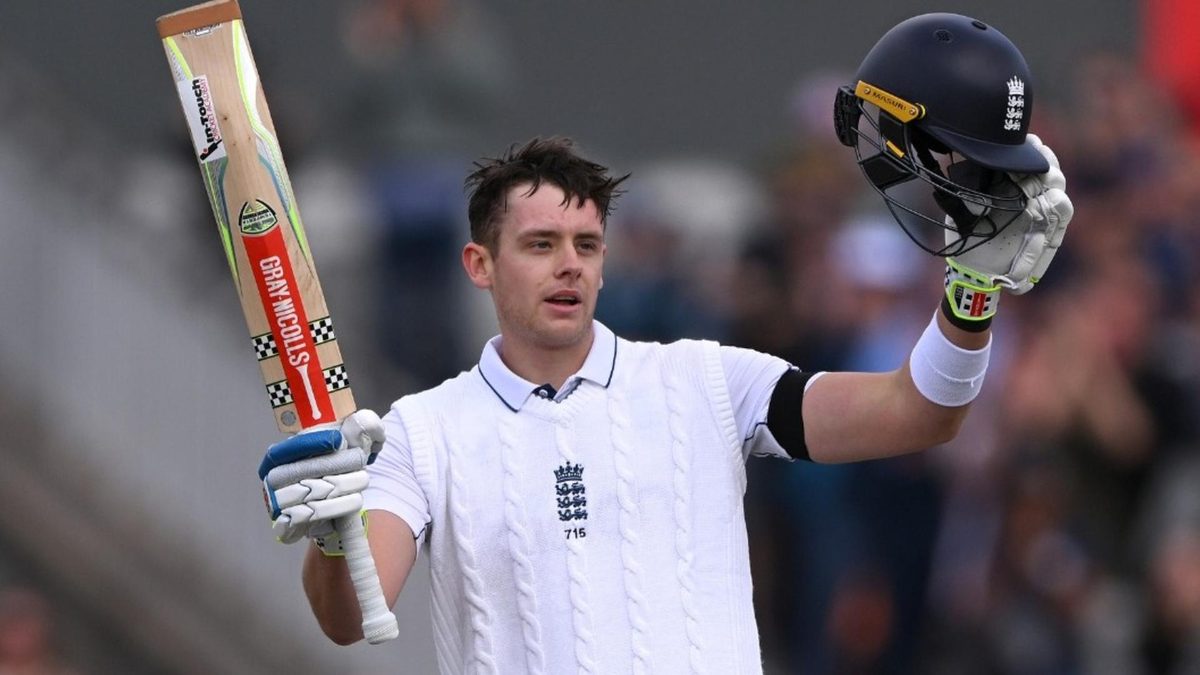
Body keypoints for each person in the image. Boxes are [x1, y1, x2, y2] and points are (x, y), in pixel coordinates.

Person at [257, 12, 1074, 673]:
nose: (567, 266)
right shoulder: (420, 431)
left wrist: (971, 295)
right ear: (480, 263)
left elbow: (918, 411)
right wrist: (333, 534)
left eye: (585, 244)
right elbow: (348, 616)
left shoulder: (705, 382)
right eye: (539, 245)